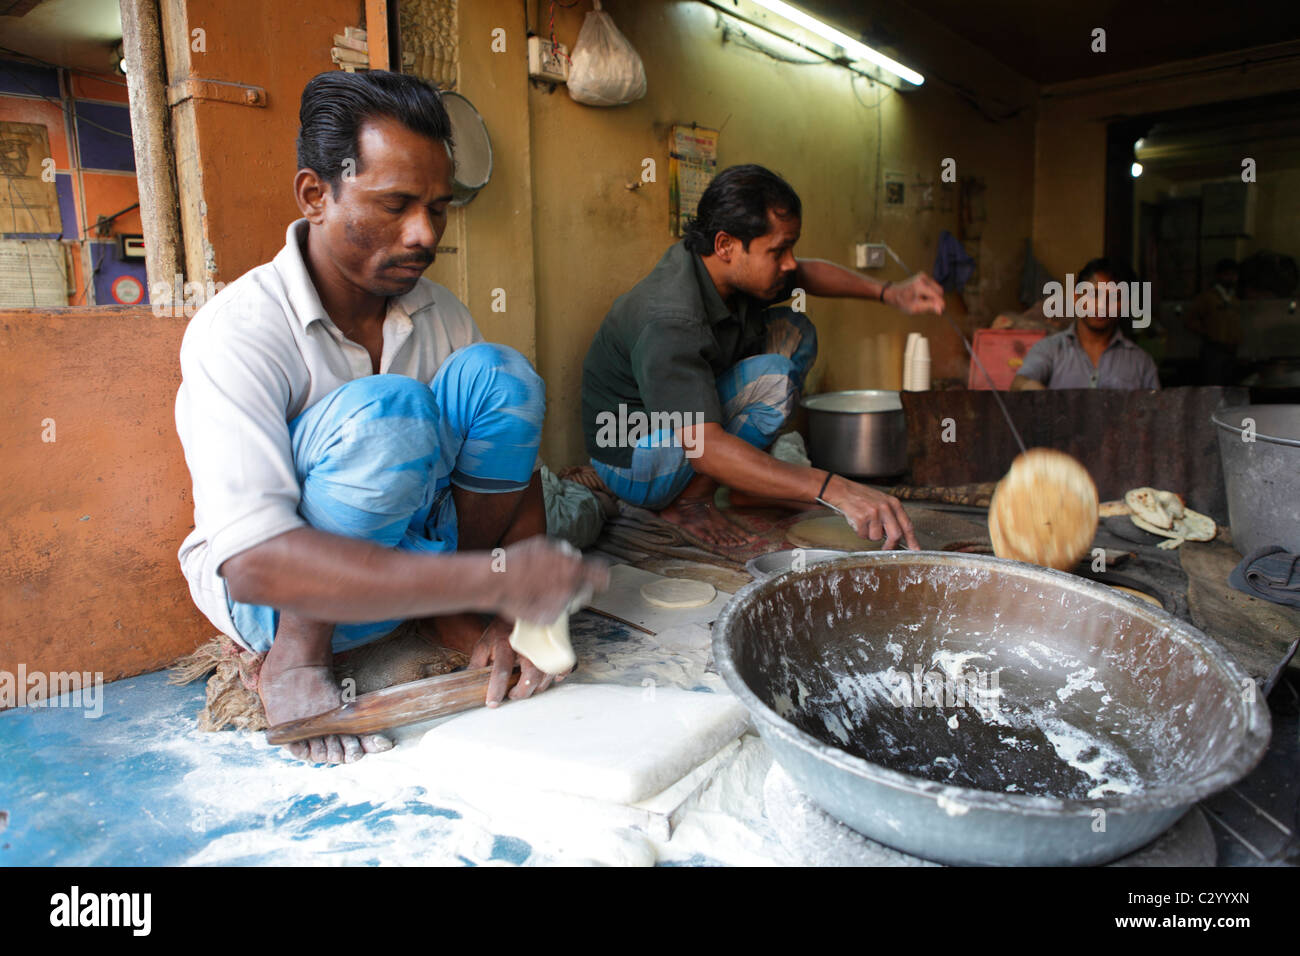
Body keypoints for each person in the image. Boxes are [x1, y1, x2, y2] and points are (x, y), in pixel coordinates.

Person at [174, 71, 607, 764]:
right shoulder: (240, 329)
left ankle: (448, 614)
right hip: (274, 602)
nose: (424, 233)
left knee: (503, 377)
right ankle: (297, 661)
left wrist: (512, 610)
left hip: (409, 563)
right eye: (396, 204)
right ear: (316, 195)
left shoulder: (438, 311)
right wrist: (491, 579)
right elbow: (253, 566)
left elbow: (510, 468)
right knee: (390, 414)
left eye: (438, 208)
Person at [579, 164, 944, 552]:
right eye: (777, 251)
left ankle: (747, 487)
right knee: (772, 376)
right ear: (725, 245)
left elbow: (803, 274)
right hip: (633, 457)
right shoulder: (671, 320)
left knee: (793, 331)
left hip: (677, 430)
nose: (788, 262)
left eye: (790, 247)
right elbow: (704, 447)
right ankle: (690, 502)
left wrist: (890, 292)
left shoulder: (725, 266)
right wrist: (834, 488)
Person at [1011, 258, 1159, 391]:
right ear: (1077, 298)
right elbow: (1019, 382)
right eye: (1094, 295)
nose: (1102, 305)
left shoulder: (1141, 362)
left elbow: (1155, 413)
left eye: (1113, 298)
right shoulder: (1050, 350)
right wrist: (1032, 388)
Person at [1183, 258, 1241, 385]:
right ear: (1219, 275)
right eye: (1228, 274)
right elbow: (1189, 319)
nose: (1231, 278)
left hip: (1231, 350)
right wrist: (1207, 332)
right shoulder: (1207, 297)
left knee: (1229, 386)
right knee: (1213, 385)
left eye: (1234, 275)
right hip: (1214, 349)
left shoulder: (1234, 299)